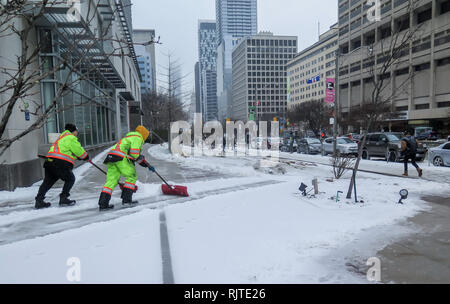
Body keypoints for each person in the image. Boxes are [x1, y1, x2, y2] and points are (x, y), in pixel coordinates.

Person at [98, 125, 155, 211]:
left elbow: (134, 156)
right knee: (132, 176)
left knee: (111, 181)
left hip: (111, 157)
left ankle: (103, 204)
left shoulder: (127, 138)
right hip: (120, 158)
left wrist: (146, 165)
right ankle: (127, 200)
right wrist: (141, 158)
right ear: (143, 135)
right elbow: (134, 154)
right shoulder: (137, 138)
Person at [35, 124, 89, 209]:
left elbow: (64, 152)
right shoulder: (70, 138)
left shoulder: (61, 138)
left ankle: (39, 201)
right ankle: (64, 198)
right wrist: (85, 156)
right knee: (70, 179)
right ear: (73, 131)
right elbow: (79, 151)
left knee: (47, 182)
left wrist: (77, 157)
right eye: (76, 131)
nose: (77, 133)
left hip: (50, 162)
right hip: (60, 163)